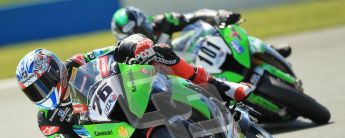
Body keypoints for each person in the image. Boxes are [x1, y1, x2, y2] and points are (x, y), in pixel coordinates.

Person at [15, 35, 251, 138]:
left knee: (160, 52)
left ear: (56, 70)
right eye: (33, 91)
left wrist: (134, 46)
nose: (42, 93)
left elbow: (115, 50)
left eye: (42, 84)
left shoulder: (77, 63)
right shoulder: (48, 121)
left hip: (127, 98)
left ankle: (222, 86)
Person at [111, 6, 291, 57]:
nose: (142, 31)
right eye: (134, 31)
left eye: (141, 26)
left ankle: (268, 50)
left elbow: (194, 16)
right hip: (175, 77)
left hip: (191, 57)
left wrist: (219, 15)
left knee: (229, 32)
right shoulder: (128, 52)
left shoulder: (163, 21)